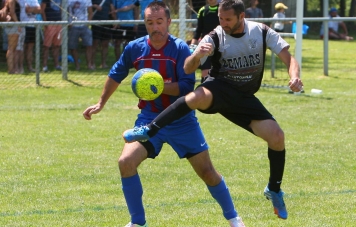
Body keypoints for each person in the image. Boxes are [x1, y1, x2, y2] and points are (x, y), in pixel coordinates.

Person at [123, 0, 305, 220]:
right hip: (219, 88)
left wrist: (294, 76)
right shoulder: (216, 35)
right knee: (195, 96)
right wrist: (198, 54)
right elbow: (188, 68)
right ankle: (150, 129)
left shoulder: (262, 31)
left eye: (227, 19)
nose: (223, 23)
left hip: (244, 98)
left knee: (277, 137)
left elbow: (289, 58)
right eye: (220, 18)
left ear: (241, 16)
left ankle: (274, 190)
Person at [83, 2, 245, 227]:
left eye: (160, 22)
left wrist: (157, 85)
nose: (155, 26)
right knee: (126, 162)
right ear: (145, 23)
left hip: (181, 120)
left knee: (207, 172)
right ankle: (138, 222)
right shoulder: (135, 48)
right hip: (149, 119)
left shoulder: (180, 49)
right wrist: (101, 103)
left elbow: (187, 87)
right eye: (150, 22)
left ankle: (234, 218)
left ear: (169, 22)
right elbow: (116, 73)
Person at [191, 0, 220, 82]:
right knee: (205, 72)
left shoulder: (222, 9)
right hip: (206, 45)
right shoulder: (203, 10)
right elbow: (198, 31)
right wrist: (192, 46)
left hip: (220, 45)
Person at [68, 0, 94, 70]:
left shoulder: (87, 0)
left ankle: (89, 65)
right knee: (73, 47)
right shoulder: (68, 0)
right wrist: (68, 23)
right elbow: (63, 11)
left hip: (84, 26)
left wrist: (87, 23)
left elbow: (90, 12)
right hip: (73, 26)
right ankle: (77, 65)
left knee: (89, 45)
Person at [19, 0, 41, 73]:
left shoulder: (34, 0)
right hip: (23, 25)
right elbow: (26, 10)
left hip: (32, 26)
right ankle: (21, 67)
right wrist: (34, 9)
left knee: (30, 47)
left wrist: (31, 9)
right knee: (22, 47)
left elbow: (39, 9)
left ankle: (30, 67)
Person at [90, 0, 113, 69]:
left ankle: (103, 63)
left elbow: (112, 8)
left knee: (105, 44)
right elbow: (87, 6)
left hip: (107, 23)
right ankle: (92, 63)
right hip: (96, 23)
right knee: (95, 44)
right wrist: (94, 6)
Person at [41, 0, 62, 72]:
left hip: (59, 23)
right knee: (47, 46)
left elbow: (62, 9)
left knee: (57, 46)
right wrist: (45, 23)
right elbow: (42, 10)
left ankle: (57, 65)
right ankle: (44, 66)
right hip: (49, 23)